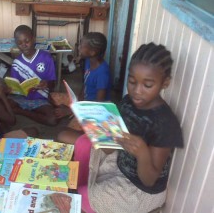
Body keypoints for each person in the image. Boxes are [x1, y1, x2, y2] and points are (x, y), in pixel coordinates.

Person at [76, 43, 184, 213]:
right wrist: (96, 125)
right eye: (132, 82)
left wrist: (142, 153)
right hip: (121, 162)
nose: (137, 91)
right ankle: (82, 187)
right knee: (83, 143)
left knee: (79, 200)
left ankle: (84, 195)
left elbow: (149, 180)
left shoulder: (165, 124)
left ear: (165, 83)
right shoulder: (128, 102)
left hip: (140, 189)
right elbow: (110, 148)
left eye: (147, 85)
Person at [53, 32, 112, 144]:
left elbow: (98, 106)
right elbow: (85, 84)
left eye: (81, 45)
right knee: (51, 96)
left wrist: (73, 110)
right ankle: (71, 114)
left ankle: (88, 133)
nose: (79, 47)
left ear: (92, 52)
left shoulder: (102, 73)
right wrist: (77, 102)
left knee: (62, 134)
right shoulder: (88, 62)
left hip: (93, 111)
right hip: (83, 102)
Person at [9, 25, 58, 126]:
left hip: (40, 99)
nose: (24, 45)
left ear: (33, 39)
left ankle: (22, 112)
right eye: (20, 43)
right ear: (16, 44)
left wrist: (46, 83)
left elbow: (52, 84)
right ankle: (27, 110)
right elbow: (15, 88)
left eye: (27, 41)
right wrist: (11, 89)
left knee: (52, 120)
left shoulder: (46, 57)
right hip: (21, 99)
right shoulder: (16, 63)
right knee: (1, 106)